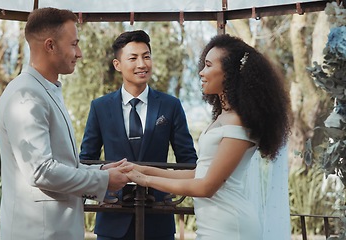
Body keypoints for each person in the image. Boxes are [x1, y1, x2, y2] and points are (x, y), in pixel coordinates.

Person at [125, 34, 291, 240]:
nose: (201, 72)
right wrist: (140, 169)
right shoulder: (225, 116)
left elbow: (206, 187)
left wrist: (146, 179)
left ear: (229, 74)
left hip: (231, 228)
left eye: (208, 65)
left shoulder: (238, 122)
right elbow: (199, 173)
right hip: (214, 225)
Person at [0, 8, 131, 240]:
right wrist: (104, 180)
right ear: (50, 45)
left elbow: (60, 162)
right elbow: (40, 171)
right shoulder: (26, 95)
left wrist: (98, 170)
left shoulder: (44, 90)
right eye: (74, 44)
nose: (80, 53)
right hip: (38, 232)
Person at [79, 30, 197, 240]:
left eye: (146, 56)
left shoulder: (171, 106)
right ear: (117, 65)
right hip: (112, 218)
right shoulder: (99, 107)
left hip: (159, 215)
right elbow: (87, 160)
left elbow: (188, 162)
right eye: (133, 58)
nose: (142, 64)